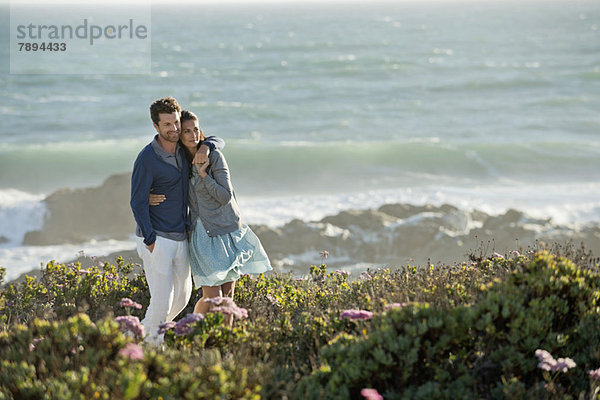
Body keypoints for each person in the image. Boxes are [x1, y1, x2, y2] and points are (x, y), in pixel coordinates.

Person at [151, 110, 272, 325]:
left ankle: (224, 345)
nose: (192, 135)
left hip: (227, 231)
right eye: (186, 131)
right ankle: (187, 329)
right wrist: (147, 196)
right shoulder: (180, 160)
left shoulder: (214, 155)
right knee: (214, 299)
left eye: (196, 129)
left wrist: (204, 173)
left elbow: (225, 196)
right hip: (203, 234)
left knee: (228, 299)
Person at [130, 97, 224, 345]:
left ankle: (137, 335)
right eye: (167, 125)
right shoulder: (147, 158)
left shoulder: (183, 150)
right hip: (157, 238)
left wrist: (206, 147)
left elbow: (216, 139)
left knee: (182, 299)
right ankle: (152, 350)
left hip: (180, 235)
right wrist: (150, 240)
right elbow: (137, 201)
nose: (173, 129)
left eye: (175, 123)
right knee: (161, 301)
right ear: (156, 126)